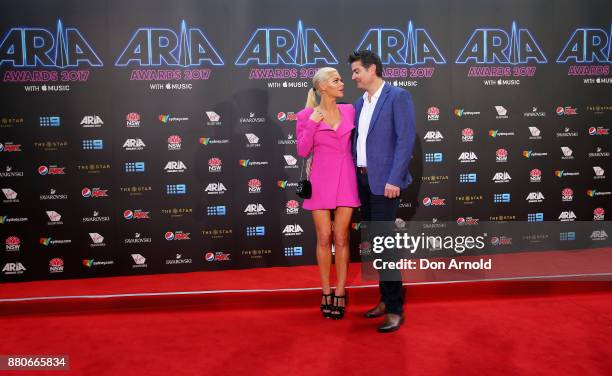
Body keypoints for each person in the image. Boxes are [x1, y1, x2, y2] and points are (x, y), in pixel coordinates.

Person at [349, 50, 416, 333]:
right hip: (363, 181)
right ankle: (385, 299)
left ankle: (395, 309)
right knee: (377, 244)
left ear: (372, 69)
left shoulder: (397, 96)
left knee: (385, 246)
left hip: (385, 184)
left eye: (356, 71)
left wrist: (394, 179)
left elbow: (405, 139)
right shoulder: (360, 102)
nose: (353, 77)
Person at [296, 67, 360, 320]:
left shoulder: (349, 110)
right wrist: (312, 123)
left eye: (342, 79)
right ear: (322, 87)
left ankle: (341, 291)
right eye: (336, 80)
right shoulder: (305, 115)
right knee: (324, 237)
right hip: (320, 178)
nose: (342, 83)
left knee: (341, 237)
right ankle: (325, 291)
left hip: (346, 176)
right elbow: (302, 151)